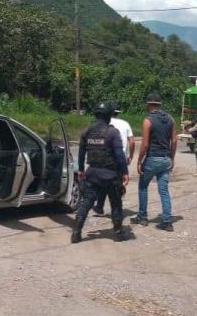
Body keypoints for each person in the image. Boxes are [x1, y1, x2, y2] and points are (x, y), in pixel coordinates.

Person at [72, 102, 130, 243]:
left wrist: (80, 169)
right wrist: (125, 172)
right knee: (116, 203)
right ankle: (118, 232)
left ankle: (76, 233)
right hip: (110, 174)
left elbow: (81, 152)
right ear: (109, 115)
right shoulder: (112, 132)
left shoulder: (86, 131)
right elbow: (119, 155)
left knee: (86, 202)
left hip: (92, 173)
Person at [131, 92, 177, 232]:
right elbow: (174, 140)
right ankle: (167, 221)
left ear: (149, 104)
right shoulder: (170, 119)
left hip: (152, 158)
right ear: (160, 104)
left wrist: (139, 162)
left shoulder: (148, 120)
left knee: (143, 187)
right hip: (165, 159)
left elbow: (144, 144)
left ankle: (143, 217)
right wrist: (172, 158)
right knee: (163, 190)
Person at [93, 105, 135, 216]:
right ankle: (116, 210)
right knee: (117, 185)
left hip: (103, 158)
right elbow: (132, 141)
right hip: (120, 159)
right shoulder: (125, 124)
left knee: (102, 182)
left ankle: (100, 207)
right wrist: (130, 156)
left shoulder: (102, 123)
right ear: (118, 113)